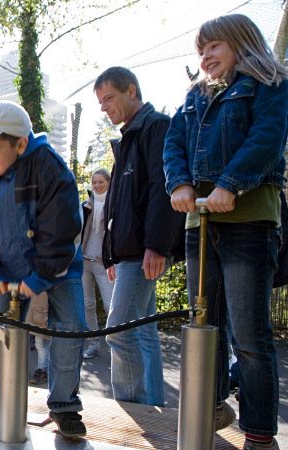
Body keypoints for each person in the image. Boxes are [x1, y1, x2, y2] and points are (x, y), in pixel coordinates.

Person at [163, 13, 288, 450]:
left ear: (241, 44)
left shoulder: (268, 84)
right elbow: (174, 142)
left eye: (213, 46)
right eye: (200, 50)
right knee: (204, 326)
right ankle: (213, 404)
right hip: (203, 222)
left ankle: (260, 445)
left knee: (250, 338)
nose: (205, 57)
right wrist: (179, 182)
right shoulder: (196, 96)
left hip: (247, 220)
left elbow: (265, 140)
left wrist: (229, 185)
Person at [0, 100, 88, 438]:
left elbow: (62, 228)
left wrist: (41, 276)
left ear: (21, 143)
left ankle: (64, 405)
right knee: (1, 330)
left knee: (69, 327)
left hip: (57, 268)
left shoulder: (51, 168)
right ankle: (4, 396)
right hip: (6, 267)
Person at [93, 66, 184, 407]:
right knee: (144, 333)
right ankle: (153, 408)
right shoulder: (127, 138)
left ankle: (132, 411)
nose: (104, 107)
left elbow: (164, 187)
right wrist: (110, 254)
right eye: (100, 102)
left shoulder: (156, 126)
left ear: (131, 90)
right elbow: (115, 205)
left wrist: (157, 245)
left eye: (108, 98)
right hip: (128, 253)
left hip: (143, 251)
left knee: (118, 331)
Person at [80, 169, 115, 359]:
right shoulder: (86, 205)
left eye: (101, 182)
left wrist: (112, 257)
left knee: (111, 306)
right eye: (94, 182)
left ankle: (115, 344)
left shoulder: (114, 203)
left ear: (109, 182)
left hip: (104, 263)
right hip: (85, 261)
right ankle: (92, 344)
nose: (97, 185)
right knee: (88, 305)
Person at [24, 292, 49, 386]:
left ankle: (44, 369)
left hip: (52, 307)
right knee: (40, 343)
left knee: (52, 344)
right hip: (39, 308)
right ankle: (42, 369)